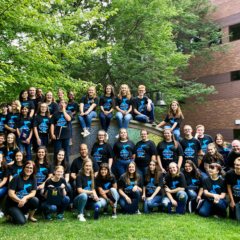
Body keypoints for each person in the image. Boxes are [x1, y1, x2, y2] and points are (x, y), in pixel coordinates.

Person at [53, 149, 74, 213]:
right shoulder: (53, 164)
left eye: (62, 155)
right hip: (55, 180)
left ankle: (71, 205)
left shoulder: (66, 164)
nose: (60, 156)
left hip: (64, 181)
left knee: (69, 186)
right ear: (57, 155)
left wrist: (64, 183)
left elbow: (67, 177)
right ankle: (55, 205)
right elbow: (52, 176)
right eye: (59, 154)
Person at [0, 153, 9, 218]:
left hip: (4, 187)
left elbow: (4, 181)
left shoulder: (5, 168)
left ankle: (0, 211)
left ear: (2, 159)